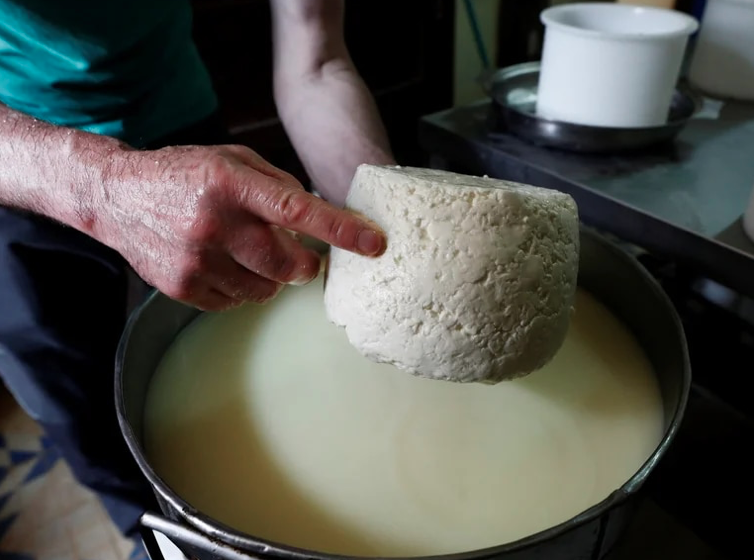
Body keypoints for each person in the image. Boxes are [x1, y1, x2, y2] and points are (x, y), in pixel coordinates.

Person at [0, 0, 395, 540]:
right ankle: (150, 533)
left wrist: (387, 219)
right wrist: (102, 187)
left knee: (211, 367)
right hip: (18, 149)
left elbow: (317, 63)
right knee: (68, 395)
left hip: (178, 112)